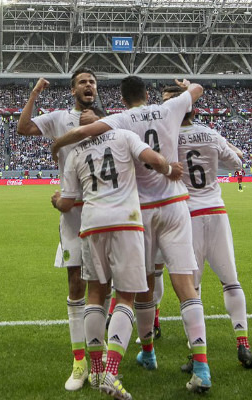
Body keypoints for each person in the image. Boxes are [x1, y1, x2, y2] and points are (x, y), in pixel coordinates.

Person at [51, 76, 213, 393]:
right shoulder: (170, 107)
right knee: (184, 284)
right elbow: (197, 92)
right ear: (148, 94)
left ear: (122, 100)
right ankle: (202, 367)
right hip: (173, 206)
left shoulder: (118, 121)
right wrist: (188, 85)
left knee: (137, 288)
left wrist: (58, 142)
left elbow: (83, 133)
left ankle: (144, 354)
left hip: (137, 211)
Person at [52, 126, 175, 400]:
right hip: (126, 222)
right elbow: (154, 159)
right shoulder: (124, 135)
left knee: (94, 295)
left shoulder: (75, 152)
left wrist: (57, 201)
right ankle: (111, 370)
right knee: (125, 297)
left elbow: (68, 202)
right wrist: (169, 170)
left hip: (91, 225)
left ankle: (95, 369)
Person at [16, 69, 100, 391]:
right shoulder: (59, 118)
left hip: (102, 210)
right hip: (71, 213)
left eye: (92, 82)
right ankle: (80, 361)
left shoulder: (108, 120)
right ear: (73, 89)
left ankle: (98, 355)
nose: (88, 86)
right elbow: (23, 128)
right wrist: (36, 92)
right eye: (82, 82)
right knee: (76, 283)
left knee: (102, 285)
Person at [168, 86, 252, 369]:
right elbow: (237, 163)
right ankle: (243, 343)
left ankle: (196, 355)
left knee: (191, 288)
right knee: (230, 281)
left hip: (188, 216)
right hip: (216, 211)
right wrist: (226, 149)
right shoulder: (209, 133)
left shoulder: (167, 138)